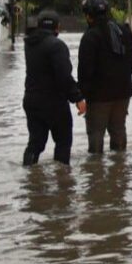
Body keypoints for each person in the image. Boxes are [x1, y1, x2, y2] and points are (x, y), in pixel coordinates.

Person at [23, 11, 86, 165]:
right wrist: (77, 98)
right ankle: (62, 179)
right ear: (57, 27)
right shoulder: (57, 46)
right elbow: (64, 76)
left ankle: (29, 178)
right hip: (53, 102)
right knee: (63, 141)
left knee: (35, 143)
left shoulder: (29, 43)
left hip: (31, 100)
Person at [77, 0, 132, 154]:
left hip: (98, 97)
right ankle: (120, 171)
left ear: (89, 16)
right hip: (123, 93)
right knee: (118, 131)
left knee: (96, 135)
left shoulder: (90, 36)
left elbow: (85, 71)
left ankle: (96, 173)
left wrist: (81, 96)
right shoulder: (124, 31)